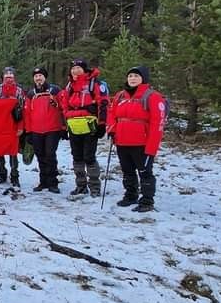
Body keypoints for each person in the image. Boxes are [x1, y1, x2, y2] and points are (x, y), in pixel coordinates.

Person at [106, 66, 166, 212]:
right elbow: (112, 114)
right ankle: (131, 194)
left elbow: (157, 123)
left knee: (145, 172)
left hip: (142, 143)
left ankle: (147, 200)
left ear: (143, 79)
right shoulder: (120, 96)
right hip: (122, 141)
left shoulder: (152, 96)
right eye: (130, 76)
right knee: (127, 171)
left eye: (136, 76)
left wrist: (151, 147)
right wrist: (112, 130)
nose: (132, 79)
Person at [61, 59, 109, 198]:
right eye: (73, 68)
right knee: (77, 156)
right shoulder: (69, 86)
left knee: (89, 156)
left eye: (78, 68)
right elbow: (64, 105)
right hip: (74, 125)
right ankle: (80, 185)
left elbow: (103, 104)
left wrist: (102, 123)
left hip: (90, 124)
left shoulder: (95, 84)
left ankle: (94, 186)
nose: (75, 71)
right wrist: (65, 124)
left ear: (84, 69)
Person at [23, 67, 63, 193]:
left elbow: (63, 108)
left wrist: (63, 127)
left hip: (52, 129)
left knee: (50, 155)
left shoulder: (55, 90)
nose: (38, 78)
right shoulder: (31, 94)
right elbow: (27, 113)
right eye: (35, 76)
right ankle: (43, 181)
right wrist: (28, 131)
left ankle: (53, 182)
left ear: (45, 77)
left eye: (40, 75)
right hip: (36, 130)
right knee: (40, 156)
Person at [0, 66, 24, 187]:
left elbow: (22, 111)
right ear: (3, 77)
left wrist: (21, 127)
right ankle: (2, 174)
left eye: (11, 76)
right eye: (6, 76)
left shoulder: (19, 91)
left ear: (14, 77)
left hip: (13, 126)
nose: (9, 78)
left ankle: (15, 176)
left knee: (13, 153)